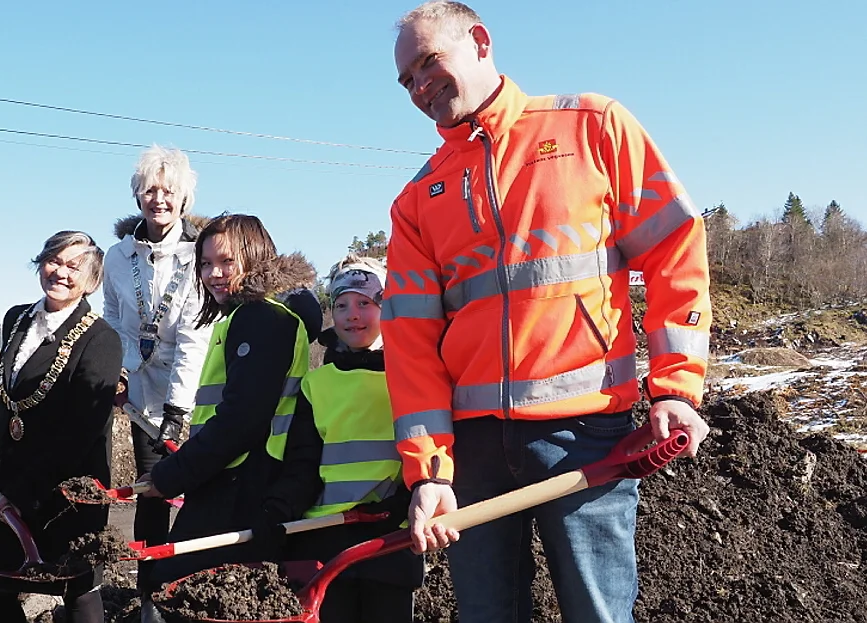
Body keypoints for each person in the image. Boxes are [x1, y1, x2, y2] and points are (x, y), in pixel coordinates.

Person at [384, 2, 713, 622]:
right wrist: (430, 471)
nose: (420, 86)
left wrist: (676, 387)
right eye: (407, 81)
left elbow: (676, 249)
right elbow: (410, 340)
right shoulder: (416, 200)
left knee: (597, 613)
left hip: (584, 436)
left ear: (480, 41)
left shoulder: (594, 126)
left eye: (429, 62)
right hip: (474, 450)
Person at [137, 213, 322, 590]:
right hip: (235, 480)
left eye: (226, 262)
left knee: (173, 589)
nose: (214, 274)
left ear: (254, 258)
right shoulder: (248, 317)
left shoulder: (261, 318)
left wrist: (171, 475)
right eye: (205, 264)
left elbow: (242, 419)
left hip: (241, 486)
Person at [0, 231, 122, 623]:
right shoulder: (17, 319)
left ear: (92, 281)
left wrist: (27, 491)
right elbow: (3, 393)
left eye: (73, 266)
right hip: (7, 471)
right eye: (53, 261)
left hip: (66, 484)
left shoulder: (102, 340)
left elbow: (84, 428)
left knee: (76, 587)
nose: (60, 272)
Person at [262, 254, 424, 623]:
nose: (353, 314)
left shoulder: (413, 375)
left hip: (390, 538)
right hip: (325, 537)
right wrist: (278, 509)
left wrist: (406, 500)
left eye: (366, 304)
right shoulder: (317, 384)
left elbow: (429, 446)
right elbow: (303, 462)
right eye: (342, 304)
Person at [101, 145, 212, 610]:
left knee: (203, 492)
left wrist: (178, 408)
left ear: (183, 198)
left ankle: (193, 589)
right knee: (152, 490)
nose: (159, 199)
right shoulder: (116, 257)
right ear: (137, 196)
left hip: (193, 393)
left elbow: (193, 335)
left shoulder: (198, 257)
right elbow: (114, 319)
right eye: (150, 189)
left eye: (169, 191)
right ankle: (150, 598)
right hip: (141, 394)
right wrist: (119, 375)